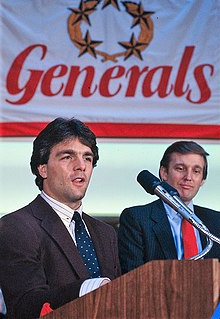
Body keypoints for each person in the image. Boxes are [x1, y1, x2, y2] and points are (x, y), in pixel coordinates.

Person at [0, 117, 121, 319]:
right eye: (68, 157)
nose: (81, 165)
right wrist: (88, 288)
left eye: (87, 158)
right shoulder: (17, 226)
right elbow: (26, 304)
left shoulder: (106, 233)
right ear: (43, 168)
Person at [118, 140, 220, 274]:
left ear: (202, 180)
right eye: (180, 169)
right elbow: (133, 276)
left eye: (196, 171)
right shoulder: (137, 218)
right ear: (164, 173)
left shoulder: (216, 221)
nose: (188, 177)